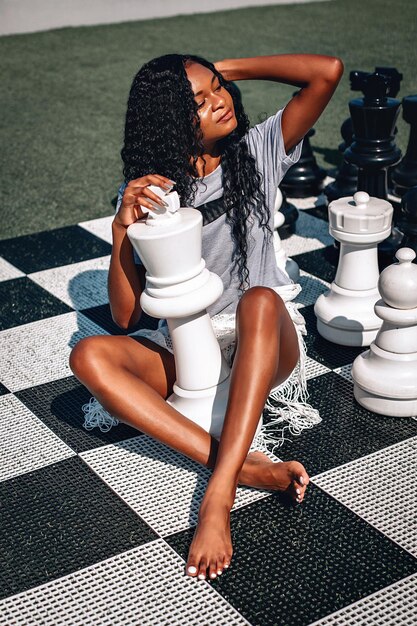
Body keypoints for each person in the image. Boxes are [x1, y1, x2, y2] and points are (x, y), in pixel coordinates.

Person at [70, 52, 343, 582]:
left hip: (261, 342)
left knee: (259, 298)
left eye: (219, 89)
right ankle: (240, 467)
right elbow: (125, 316)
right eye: (198, 101)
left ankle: (217, 496)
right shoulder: (154, 191)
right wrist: (122, 229)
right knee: (89, 355)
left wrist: (222, 68)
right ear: (169, 118)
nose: (219, 101)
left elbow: (326, 71)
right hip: (185, 344)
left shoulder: (260, 149)